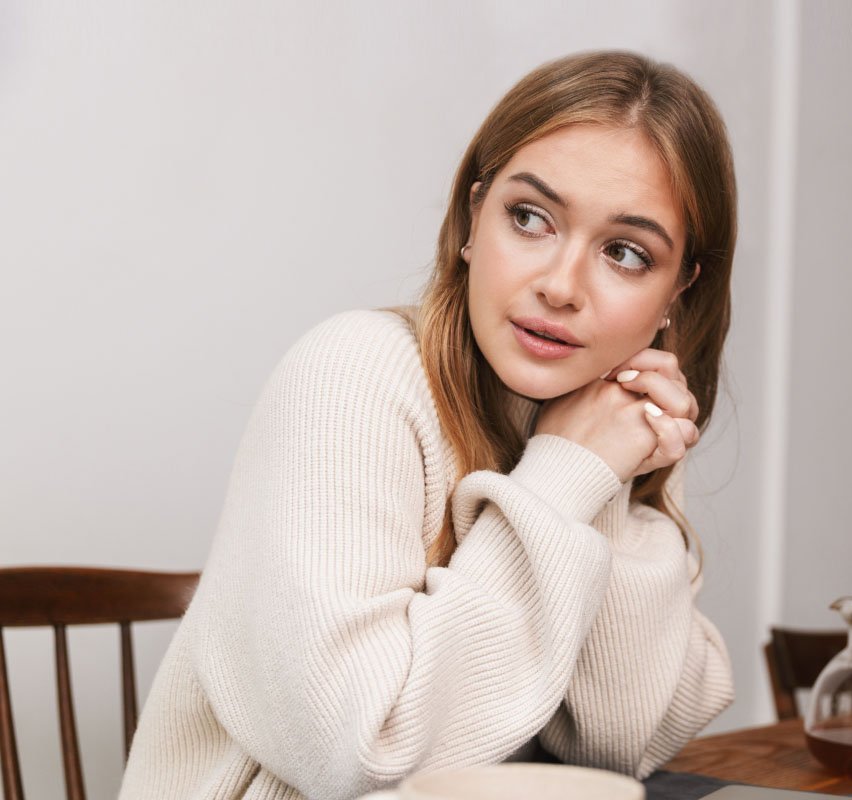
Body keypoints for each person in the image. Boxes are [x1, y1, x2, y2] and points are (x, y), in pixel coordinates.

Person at [120, 50, 737, 800]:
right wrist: (566, 474)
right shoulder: (352, 375)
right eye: (530, 218)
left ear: (678, 291)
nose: (560, 284)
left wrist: (607, 479)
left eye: (626, 253)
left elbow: (617, 749)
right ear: (473, 218)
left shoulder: (591, 422)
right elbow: (364, 753)